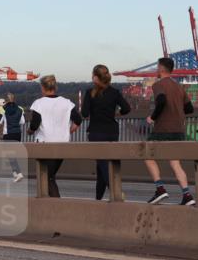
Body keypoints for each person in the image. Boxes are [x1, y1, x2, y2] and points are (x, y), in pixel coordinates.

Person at [144, 57, 196, 206]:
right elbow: (190, 109)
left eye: (157, 67)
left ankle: (160, 189)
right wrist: (176, 111)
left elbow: (161, 101)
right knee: (175, 162)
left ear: (161, 68)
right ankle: (187, 195)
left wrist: (153, 117)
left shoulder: (159, 85)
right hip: (179, 129)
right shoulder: (179, 87)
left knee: (147, 154)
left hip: (163, 129)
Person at [80, 65, 131, 201]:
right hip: (112, 132)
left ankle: (116, 191)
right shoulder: (114, 92)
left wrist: (91, 109)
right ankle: (98, 199)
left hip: (96, 132)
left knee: (103, 164)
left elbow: (84, 113)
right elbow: (127, 108)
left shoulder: (90, 92)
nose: (91, 77)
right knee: (101, 168)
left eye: (92, 75)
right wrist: (117, 113)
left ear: (96, 77)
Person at [28, 75, 82, 198]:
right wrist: (70, 130)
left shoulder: (39, 104)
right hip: (62, 144)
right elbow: (78, 119)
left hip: (44, 145)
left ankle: (55, 206)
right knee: (49, 176)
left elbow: (34, 124)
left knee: (46, 177)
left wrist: (29, 131)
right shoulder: (66, 103)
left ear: (42, 88)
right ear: (55, 87)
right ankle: (50, 205)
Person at [0, 93, 25, 182]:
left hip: (8, 133)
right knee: (12, 154)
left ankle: (19, 173)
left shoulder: (3, 109)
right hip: (17, 134)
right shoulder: (20, 109)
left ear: (6, 100)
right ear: (14, 99)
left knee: (10, 154)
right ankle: (15, 173)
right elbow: (23, 122)